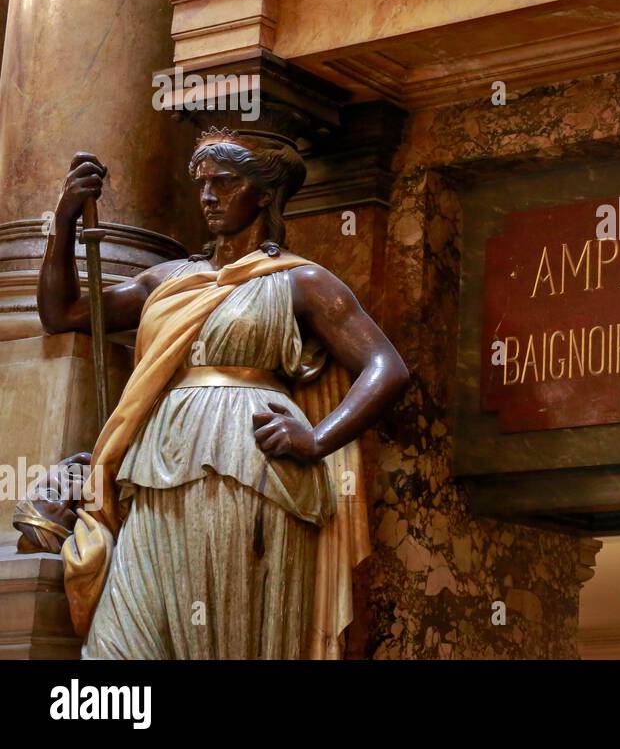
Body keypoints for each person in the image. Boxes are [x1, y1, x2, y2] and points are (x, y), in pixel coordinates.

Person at [36, 127, 409, 659]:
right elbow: (63, 314)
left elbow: (386, 368)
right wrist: (65, 222)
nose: (209, 195)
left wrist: (317, 438)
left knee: (225, 636)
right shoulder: (169, 280)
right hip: (154, 469)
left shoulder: (299, 281)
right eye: (202, 183)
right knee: (118, 646)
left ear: (263, 193)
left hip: (251, 472)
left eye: (226, 182)